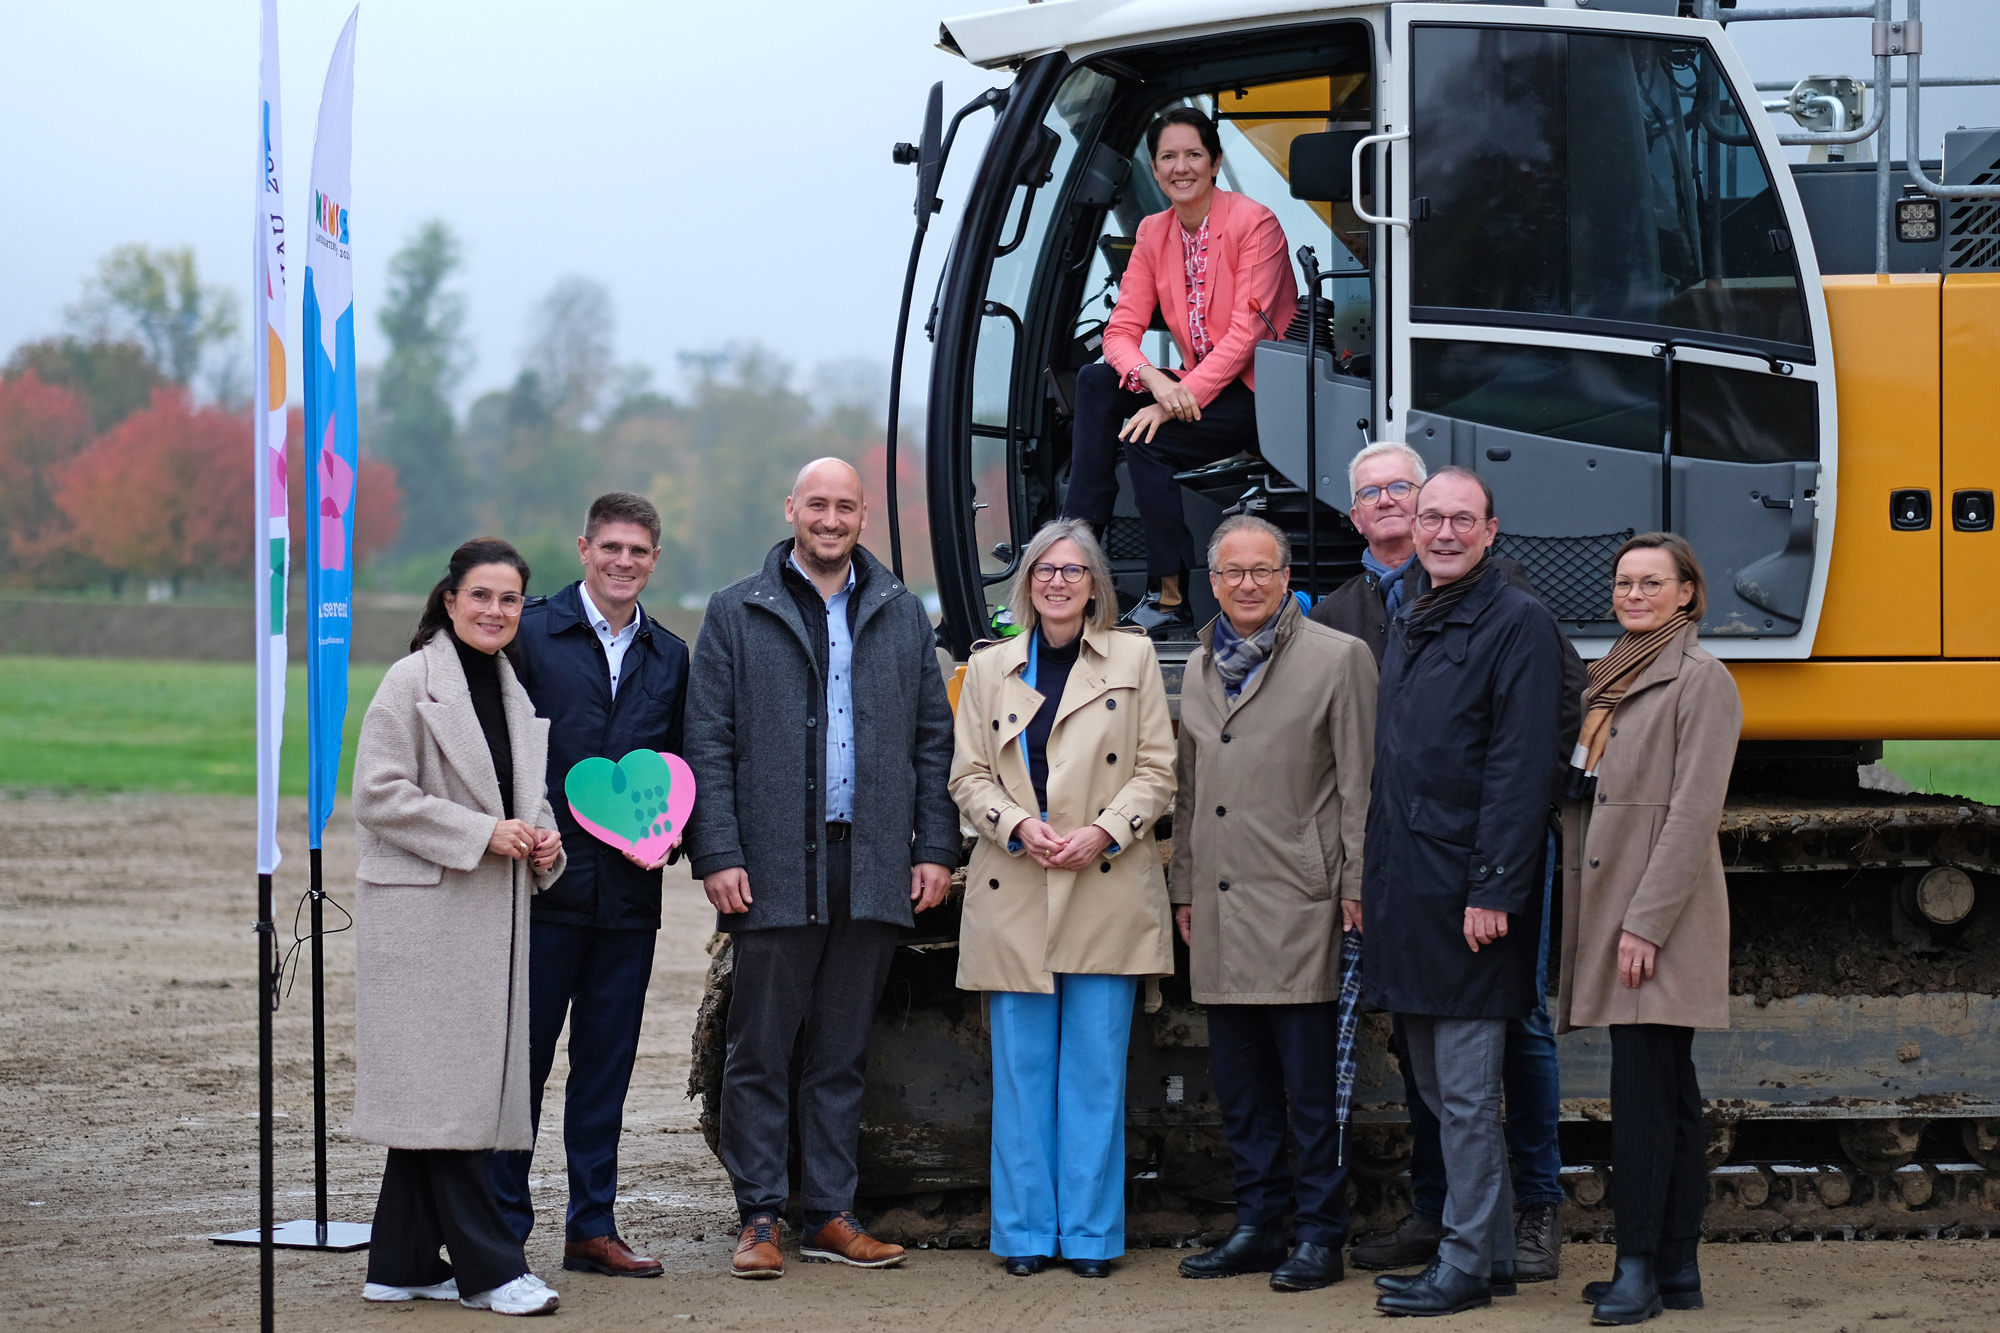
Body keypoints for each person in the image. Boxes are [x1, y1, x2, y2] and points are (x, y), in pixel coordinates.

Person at [683, 457, 958, 1279]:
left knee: (841, 1051)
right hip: (770, 867)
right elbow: (709, 741)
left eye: (845, 505)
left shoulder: (902, 613)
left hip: (871, 863)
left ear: (864, 514)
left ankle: (831, 1214)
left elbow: (931, 741)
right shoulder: (737, 611)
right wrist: (720, 853)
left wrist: (935, 847)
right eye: (817, 505)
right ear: (791, 508)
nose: (830, 518)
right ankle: (760, 1214)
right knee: (760, 1050)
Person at [1312, 442, 1574, 1284]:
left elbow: (1521, 762)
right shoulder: (1407, 610)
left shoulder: (1515, 617)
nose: (1441, 530)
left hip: (1469, 889)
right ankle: (1482, 1248)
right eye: (1432, 518)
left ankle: (1482, 1249)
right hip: (1409, 886)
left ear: (1491, 531)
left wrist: (1496, 884)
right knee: (1434, 1084)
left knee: (1473, 1085)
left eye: (1461, 518)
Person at [948, 519, 1176, 1279]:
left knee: (1094, 1072)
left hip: (1103, 883)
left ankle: (1087, 1235)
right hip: (1015, 881)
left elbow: (1157, 769)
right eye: (1045, 568)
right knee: (1020, 1075)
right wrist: (1014, 823)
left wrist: (1106, 832)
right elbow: (967, 776)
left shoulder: (1135, 656)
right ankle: (1022, 1234)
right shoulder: (989, 667)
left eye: (1073, 570)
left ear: (1094, 585)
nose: (1057, 581)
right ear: (1028, 581)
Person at [349, 538, 566, 1316]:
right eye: (481, 595)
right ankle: (490, 1269)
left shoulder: (511, 687)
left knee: (437, 1096)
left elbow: (521, 797)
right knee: (453, 1101)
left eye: (509, 599)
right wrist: (482, 834)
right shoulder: (412, 680)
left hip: (485, 918)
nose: (496, 611)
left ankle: (400, 1261)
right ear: (450, 599)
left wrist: (543, 839)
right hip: (424, 923)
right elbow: (377, 793)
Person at [1169, 515, 1376, 1292]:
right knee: (1243, 1085)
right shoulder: (1197, 664)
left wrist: (1356, 883)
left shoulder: (1338, 658)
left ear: (1286, 577)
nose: (1247, 584)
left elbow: (1361, 785)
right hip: (1220, 906)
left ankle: (1321, 1233)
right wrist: (1184, 886)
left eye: (1262, 570)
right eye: (1232, 572)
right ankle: (1258, 1224)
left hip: (1301, 902)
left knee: (1312, 1089)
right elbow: (1190, 793)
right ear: (1212, 580)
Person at [488, 492, 689, 1279]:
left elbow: (682, 766)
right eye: (611, 547)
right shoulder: (531, 633)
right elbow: (492, 745)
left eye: (638, 551)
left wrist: (670, 843)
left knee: (605, 1072)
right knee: (523, 1071)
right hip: (541, 898)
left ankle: (591, 1227)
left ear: (654, 559)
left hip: (630, 905)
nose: (623, 562)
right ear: (583, 547)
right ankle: (501, 1231)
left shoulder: (670, 655)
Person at [1561, 534, 1740, 1326]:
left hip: (1654, 915)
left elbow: (1695, 813)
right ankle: (1675, 1267)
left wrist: (1645, 923)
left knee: (1640, 1097)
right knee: (1669, 1095)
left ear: (1686, 594)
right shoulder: (1616, 672)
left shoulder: (1702, 679)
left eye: (1651, 583)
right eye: (1624, 582)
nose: (1634, 594)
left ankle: (1638, 1264)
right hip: (1621, 905)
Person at [1060, 106, 1296, 637]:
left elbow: (1245, 337)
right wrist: (1155, 380)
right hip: (1192, 385)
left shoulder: (1255, 223)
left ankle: (1168, 598)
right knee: (1097, 382)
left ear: (1215, 162)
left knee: (1149, 439)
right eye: (1169, 156)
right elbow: (1120, 332)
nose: (1180, 167)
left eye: (1193, 154)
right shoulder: (1152, 232)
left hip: (1260, 390)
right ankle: (1074, 553)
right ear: (1154, 165)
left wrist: (1174, 397)